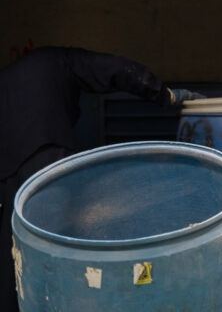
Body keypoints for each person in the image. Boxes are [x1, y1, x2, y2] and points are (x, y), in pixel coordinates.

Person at [0, 46, 204, 311]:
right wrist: (164, 94)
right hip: (47, 154)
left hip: (6, 169)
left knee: (11, 245)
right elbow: (116, 70)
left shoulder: (8, 76)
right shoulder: (62, 60)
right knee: (57, 243)